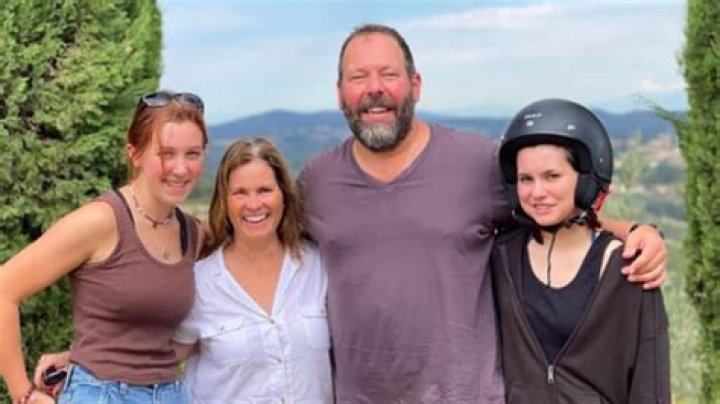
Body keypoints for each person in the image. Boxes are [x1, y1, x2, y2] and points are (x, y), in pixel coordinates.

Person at [297, 24, 668, 402]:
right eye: (358, 76)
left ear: (415, 85)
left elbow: (550, 209)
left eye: (388, 74)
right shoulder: (317, 181)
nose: (374, 88)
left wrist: (633, 229)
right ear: (340, 93)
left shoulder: (475, 163)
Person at [0, 91, 208, 404]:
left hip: (171, 395)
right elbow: (3, 290)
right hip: (102, 395)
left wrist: (73, 354)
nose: (181, 169)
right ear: (134, 154)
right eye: (166, 154)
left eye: (192, 154)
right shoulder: (101, 222)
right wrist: (23, 394)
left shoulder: (193, 233)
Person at [491, 98, 670, 403]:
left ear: (587, 180)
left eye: (552, 176)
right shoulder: (500, 257)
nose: (537, 192)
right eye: (525, 179)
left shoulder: (629, 269)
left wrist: (643, 232)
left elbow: (650, 385)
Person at [171, 138, 332, 403]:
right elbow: (158, 364)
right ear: (224, 201)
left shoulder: (317, 266)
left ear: (283, 195)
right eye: (240, 193)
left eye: (264, 190)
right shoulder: (199, 283)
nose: (254, 204)